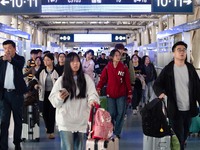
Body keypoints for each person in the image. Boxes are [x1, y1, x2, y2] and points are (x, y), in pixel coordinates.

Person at [153, 41, 200, 150]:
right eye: (179, 50)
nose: (182, 52)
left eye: (184, 50)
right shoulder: (168, 69)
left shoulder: (190, 69)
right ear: (173, 53)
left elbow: (198, 87)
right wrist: (160, 93)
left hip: (189, 109)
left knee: (184, 135)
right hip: (174, 109)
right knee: (179, 136)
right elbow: (157, 84)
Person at [49, 52, 99, 150]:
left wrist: (92, 101)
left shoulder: (86, 79)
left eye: (77, 61)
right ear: (68, 64)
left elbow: (93, 94)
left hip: (82, 120)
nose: (75, 64)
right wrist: (60, 97)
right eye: (72, 62)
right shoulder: (61, 80)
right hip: (66, 121)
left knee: (80, 148)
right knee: (68, 148)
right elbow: (53, 101)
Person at [96, 49, 132, 138]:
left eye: (119, 55)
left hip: (121, 94)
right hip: (110, 94)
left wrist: (130, 92)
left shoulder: (123, 67)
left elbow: (127, 80)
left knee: (121, 113)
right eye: (116, 55)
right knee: (111, 113)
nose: (118, 57)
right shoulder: (108, 67)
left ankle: (117, 132)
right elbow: (103, 79)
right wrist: (99, 87)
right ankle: (111, 129)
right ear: (112, 57)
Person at [0, 40, 28, 150]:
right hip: (4, 95)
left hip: (16, 95)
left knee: (17, 120)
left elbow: (19, 65)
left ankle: (17, 143)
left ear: (15, 49)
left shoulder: (20, 59)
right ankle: (3, 146)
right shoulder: (1, 61)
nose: (7, 50)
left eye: (9, 48)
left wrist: (10, 60)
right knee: (4, 121)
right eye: (5, 48)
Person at [34, 53, 59, 139]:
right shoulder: (41, 70)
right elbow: (34, 79)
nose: (46, 62)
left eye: (48, 60)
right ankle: (48, 127)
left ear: (52, 60)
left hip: (53, 95)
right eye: (44, 60)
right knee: (44, 113)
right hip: (43, 94)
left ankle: (51, 132)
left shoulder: (57, 70)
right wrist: (35, 85)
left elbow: (63, 81)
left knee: (52, 113)